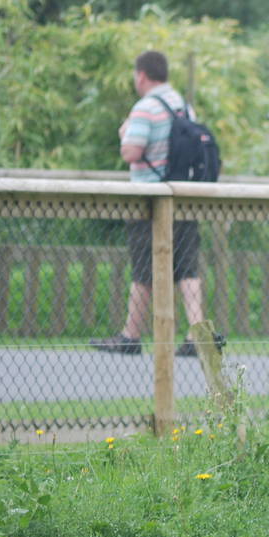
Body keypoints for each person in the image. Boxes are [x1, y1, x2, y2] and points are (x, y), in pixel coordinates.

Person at [90, 51, 223, 357]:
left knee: (142, 268)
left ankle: (130, 336)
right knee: (187, 267)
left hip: (147, 201)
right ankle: (196, 335)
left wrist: (124, 133)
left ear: (141, 75)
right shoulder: (183, 107)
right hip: (182, 198)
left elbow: (131, 153)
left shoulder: (145, 107)